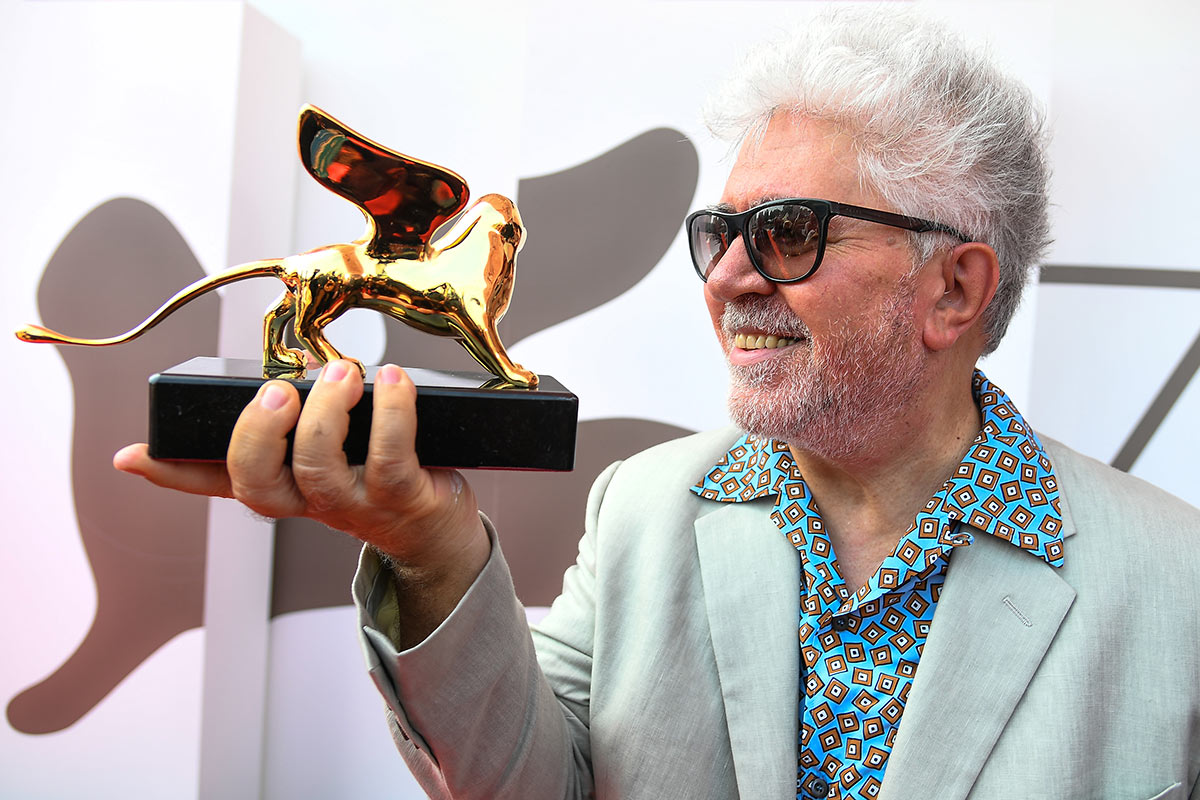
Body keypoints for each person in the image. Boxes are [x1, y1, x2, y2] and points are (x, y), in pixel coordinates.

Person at [115, 7, 1200, 799]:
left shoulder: (1175, 585)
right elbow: (530, 784)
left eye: (787, 232)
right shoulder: (642, 506)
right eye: (718, 234)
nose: (727, 277)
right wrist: (429, 544)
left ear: (954, 288)